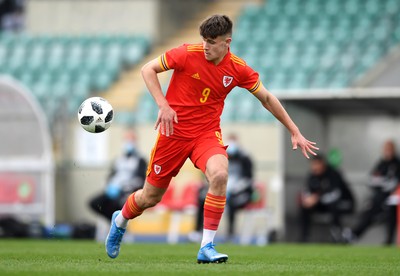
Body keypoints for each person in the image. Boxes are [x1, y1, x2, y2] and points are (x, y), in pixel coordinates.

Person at [105, 14, 318, 263]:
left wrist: (294, 130)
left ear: (226, 42)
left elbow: (267, 98)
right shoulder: (186, 53)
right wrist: (163, 105)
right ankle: (120, 220)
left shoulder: (237, 68)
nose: (205, 46)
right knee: (149, 198)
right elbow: (147, 69)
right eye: (203, 40)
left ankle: (207, 246)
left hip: (206, 134)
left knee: (219, 174)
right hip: (173, 133)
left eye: (211, 41)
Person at [188, 133, 254, 243]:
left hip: (238, 193)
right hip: (221, 189)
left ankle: (230, 234)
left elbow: (249, 179)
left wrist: (235, 189)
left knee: (232, 203)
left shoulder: (245, 159)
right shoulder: (221, 157)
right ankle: (198, 231)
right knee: (202, 200)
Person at [343, 140, 400, 245]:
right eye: (385, 149)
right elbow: (372, 179)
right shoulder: (381, 163)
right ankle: (353, 234)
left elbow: (393, 183)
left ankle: (389, 240)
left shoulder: (397, 164)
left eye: (389, 149)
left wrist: (382, 182)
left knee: (391, 211)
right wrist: (383, 182)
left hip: (393, 199)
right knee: (369, 210)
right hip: (379, 199)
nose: (387, 152)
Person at [89, 129, 147, 221]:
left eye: (131, 140)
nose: (128, 142)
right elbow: (111, 175)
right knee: (94, 203)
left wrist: (123, 189)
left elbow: (140, 180)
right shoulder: (118, 160)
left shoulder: (140, 160)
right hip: (112, 192)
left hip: (125, 193)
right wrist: (109, 187)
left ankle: (117, 225)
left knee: (115, 206)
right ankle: (114, 223)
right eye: (126, 139)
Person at [298, 155, 355, 243]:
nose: (314, 167)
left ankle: (337, 235)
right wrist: (308, 200)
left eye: (317, 164)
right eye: (313, 165)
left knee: (334, 205)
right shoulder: (312, 175)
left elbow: (335, 194)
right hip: (323, 204)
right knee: (305, 207)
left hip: (344, 203)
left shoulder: (333, 174)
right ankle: (304, 237)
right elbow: (307, 190)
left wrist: (316, 199)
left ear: (322, 164)